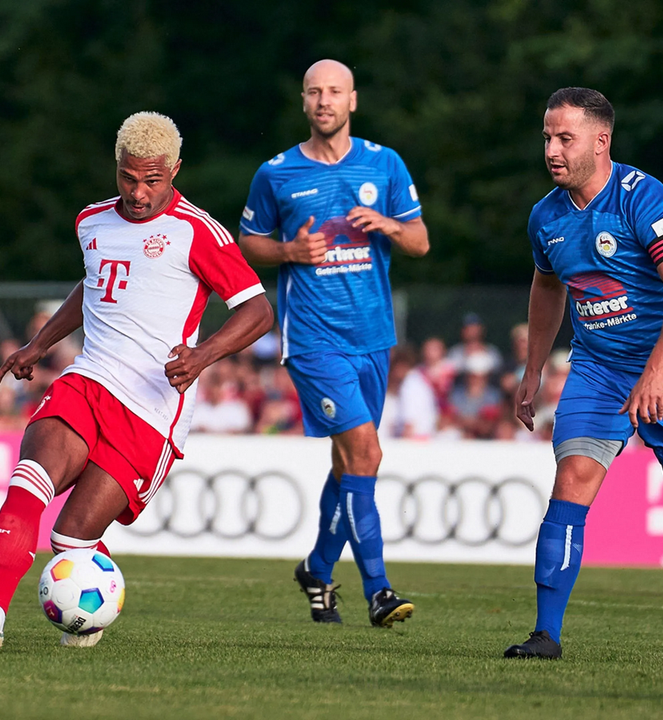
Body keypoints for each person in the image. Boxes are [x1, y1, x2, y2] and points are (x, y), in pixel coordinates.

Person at [0, 111, 272, 649]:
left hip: (152, 412)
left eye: (152, 181)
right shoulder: (91, 221)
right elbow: (92, 287)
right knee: (28, 481)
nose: (138, 192)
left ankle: (91, 607)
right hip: (88, 380)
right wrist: (38, 345)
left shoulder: (197, 232)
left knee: (71, 539)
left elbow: (257, 311)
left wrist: (203, 355)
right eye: (129, 178)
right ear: (117, 167)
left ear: (175, 170)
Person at [507, 88, 663, 659]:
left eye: (565, 138)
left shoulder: (643, 198)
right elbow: (547, 286)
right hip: (597, 370)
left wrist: (655, 374)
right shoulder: (545, 217)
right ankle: (546, 634)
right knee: (571, 479)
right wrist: (532, 368)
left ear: (601, 140)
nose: (552, 149)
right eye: (547, 136)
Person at [238, 59, 428, 627]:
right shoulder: (277, 173)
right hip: (314, 340)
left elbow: (419, 240)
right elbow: (248, 242)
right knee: (365, 452)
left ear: (353, 101)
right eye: (315, 92)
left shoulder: (384, 163)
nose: (325, 100)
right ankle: (379, 590)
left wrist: (388, 224)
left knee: (350, 463)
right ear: (304, 102)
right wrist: (289, 252)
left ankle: (318, 568)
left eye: (335, 92)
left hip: (373, 337)